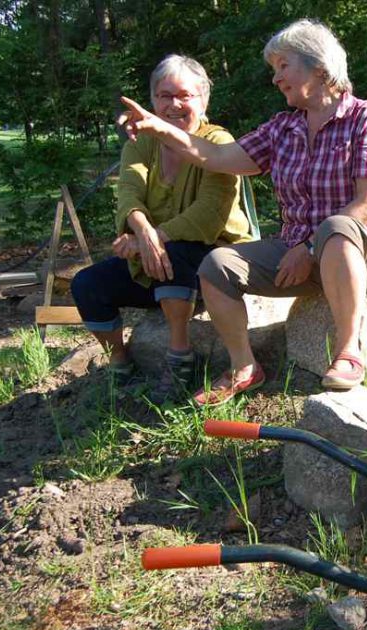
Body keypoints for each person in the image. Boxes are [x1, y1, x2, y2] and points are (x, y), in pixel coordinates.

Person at [119, 19, 367, 405]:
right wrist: (157, 128)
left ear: (319, 67)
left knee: (337, 227)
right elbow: (215, 155)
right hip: (295, 255)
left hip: (364, 251)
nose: (275, 78)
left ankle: (348, 351)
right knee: (216, 265)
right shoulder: (283, 128)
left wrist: (308, 247)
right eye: (274, 69)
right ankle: (244, 367)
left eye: (283, 66)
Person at [72, 55, 252, 404]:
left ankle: (179, 357)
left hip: (214, 262)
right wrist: (141, 229)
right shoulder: (140, 143)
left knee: (176, 252)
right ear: (152, 100)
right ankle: (120, 360)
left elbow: (208, 216)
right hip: (155, 256)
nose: (173, 104)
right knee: (87, 284)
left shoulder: (217, 141)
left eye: (184, 95)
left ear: (203, 100)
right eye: (164, 95)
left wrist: (152, 240)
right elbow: (128, 193)